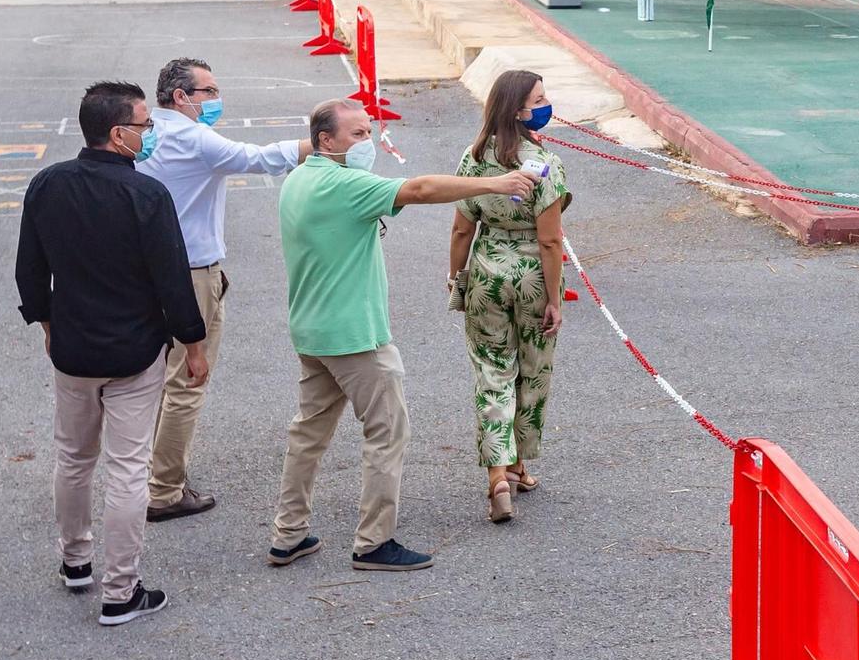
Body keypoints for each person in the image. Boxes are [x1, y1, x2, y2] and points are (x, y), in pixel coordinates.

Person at [268, 98, 537, 573]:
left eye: (369, 132)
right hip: (356, 337)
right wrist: (494, 182)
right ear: (325, 140)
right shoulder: (343, 183)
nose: (367, 143)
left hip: (312, 330)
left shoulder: (299, 179)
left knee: (308, 434)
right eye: (356, 134)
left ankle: (288, 533)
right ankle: (374, 542)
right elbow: (420, 187)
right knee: (387, 434)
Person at [15, 81, 209, 628]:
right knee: (128, 468)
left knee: (74, 457)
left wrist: (46, 321)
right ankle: (121, 589)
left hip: (72, 346)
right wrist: (192, 344)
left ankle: (76, 559)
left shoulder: (47, 184)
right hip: (135, 350)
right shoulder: (146, 195)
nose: (149, 134)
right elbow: (173, 280)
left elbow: (30, 266)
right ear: (119, 133)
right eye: (144, 126)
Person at [138, 57, 309, 524]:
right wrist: (315, 146)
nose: (216, 100)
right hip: (193, 272)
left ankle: (146, 475)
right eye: (208, 91)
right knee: (187, 381)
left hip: (151, 271)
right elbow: (253, 158)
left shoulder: (147, 132)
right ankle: (164, 488)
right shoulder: (193, 137)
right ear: (181, 97)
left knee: (156, 379)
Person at [448, 71, 571, 524]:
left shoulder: (474, 157)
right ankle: (521, 463)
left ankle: (500, 474)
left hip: (486, 272)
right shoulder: (545, 163)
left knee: (492, 371)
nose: (546, 103)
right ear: (519, 110)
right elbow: (550, 241)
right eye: (539, 98)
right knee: (532, 372)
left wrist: (455, 276)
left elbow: (463, 227)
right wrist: (555, 297)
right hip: (533, 276)